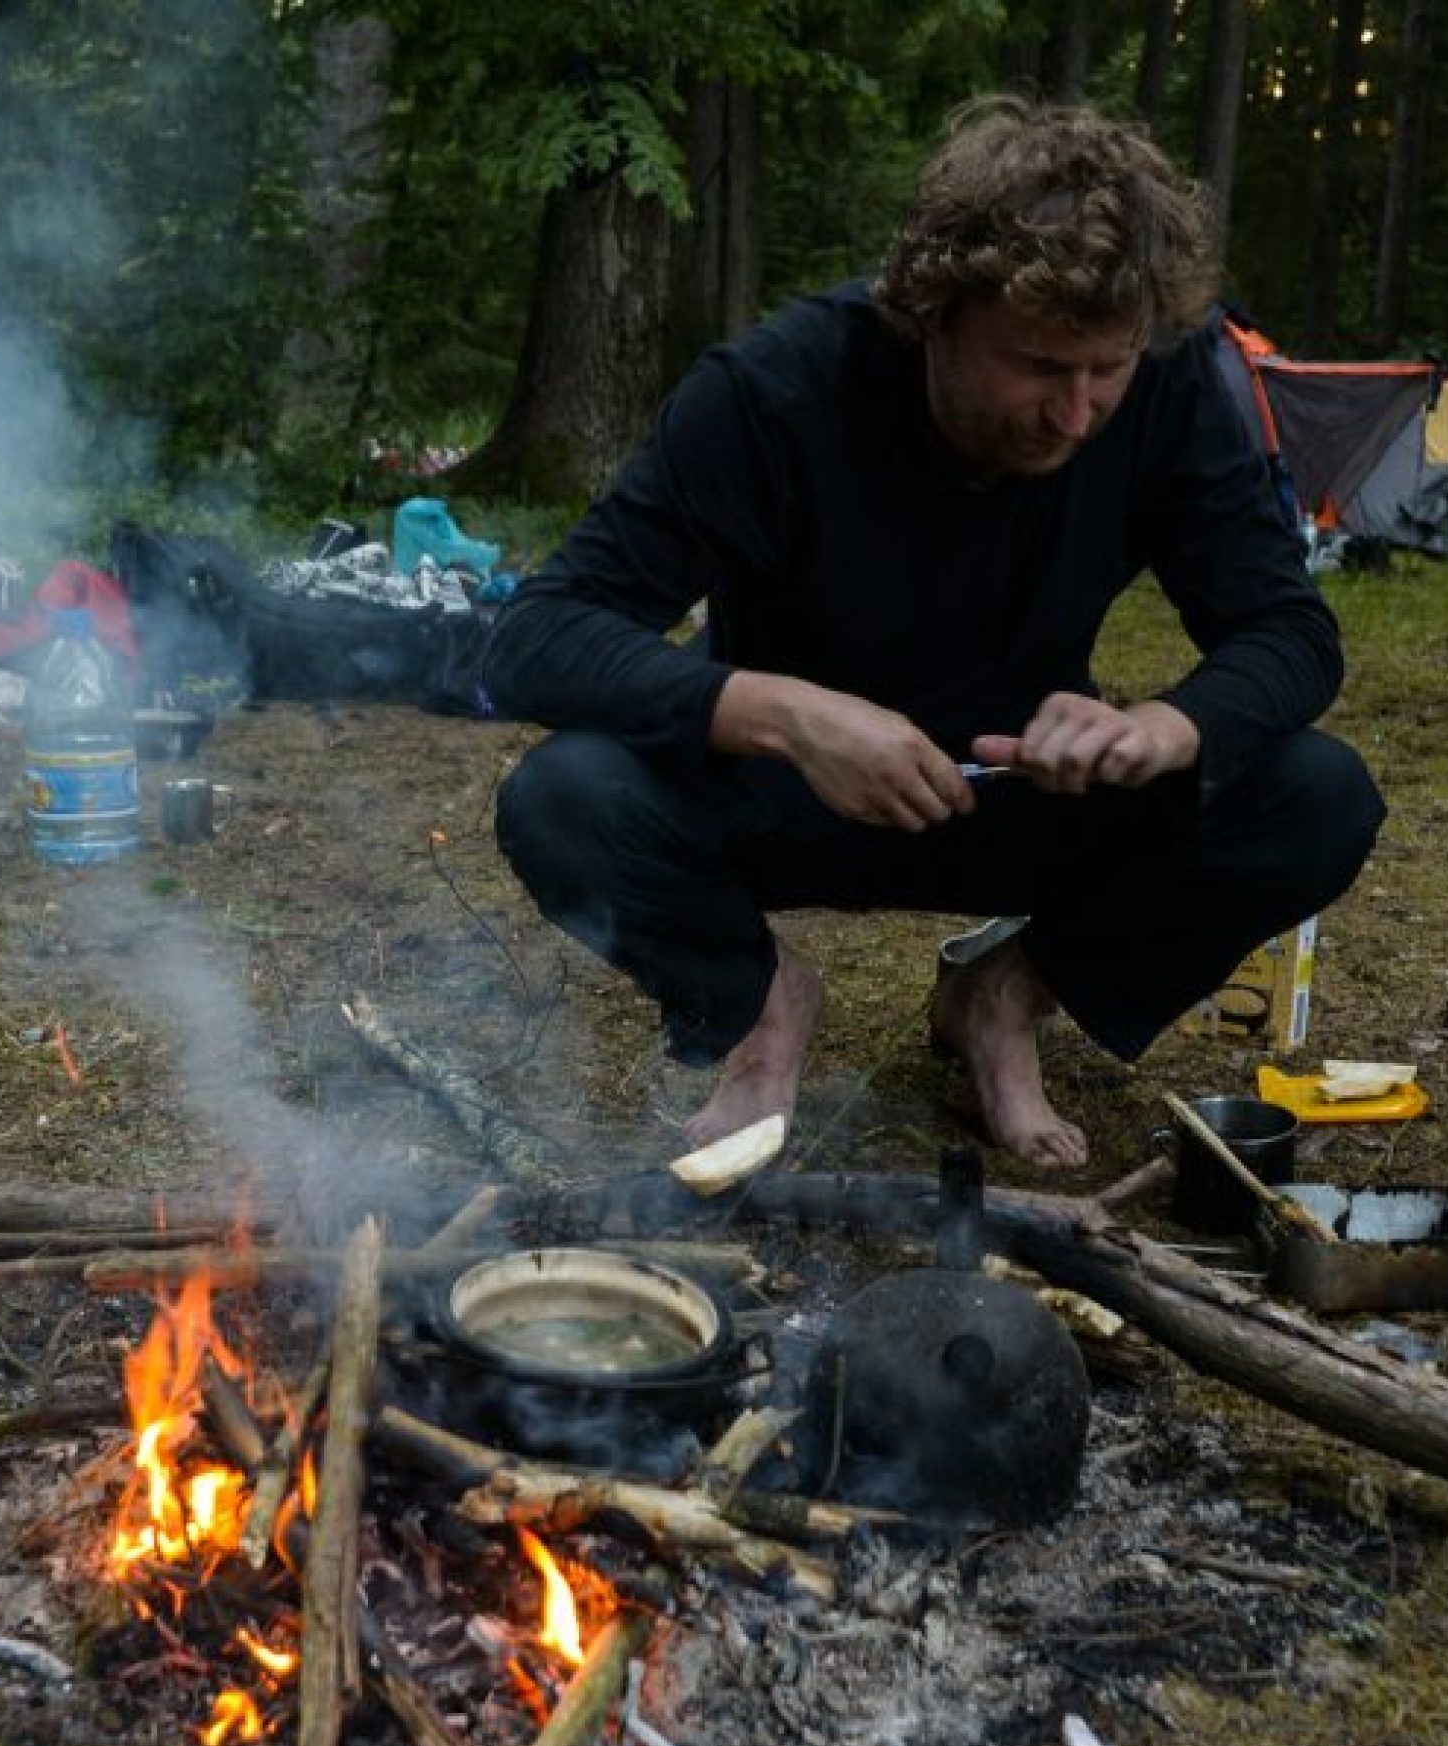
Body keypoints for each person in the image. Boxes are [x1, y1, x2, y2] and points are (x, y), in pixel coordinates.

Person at [482, 95, 1384, 1171]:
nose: (1078, 411)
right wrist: (783, 712)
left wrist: (1165, 724)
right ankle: (762, 1009)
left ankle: (1003, 996)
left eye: (1110, 366)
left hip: (1019, 796)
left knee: (1318, 794)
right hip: (788, 792)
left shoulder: (1167, 389)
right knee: (563, 795)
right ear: (931, 312)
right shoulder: (774, 395)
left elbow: (1290, 632)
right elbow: (536, 636)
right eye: (1041, 367)